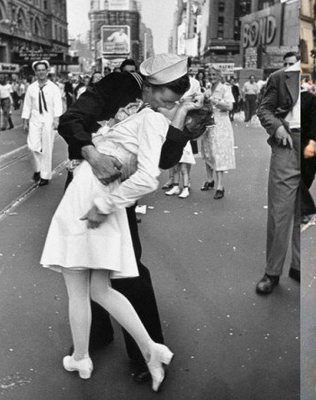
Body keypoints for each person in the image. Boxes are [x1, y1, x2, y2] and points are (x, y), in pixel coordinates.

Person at [40, 55, 196, 391]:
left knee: (126, 269)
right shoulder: (117, 84)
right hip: (89, 180)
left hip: (118, 192)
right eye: (165, 98)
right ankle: (96, 337)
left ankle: (144, 351)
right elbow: (71, 120)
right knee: (86, 268)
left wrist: (181, 124)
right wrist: (93, 155)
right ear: (149, 83)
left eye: (174, 101)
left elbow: (162, 161)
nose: (165, 104)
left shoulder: (163, 109)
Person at [255, 52, 301, 294]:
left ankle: (298, 265)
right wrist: (277, 128)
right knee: (280, 211)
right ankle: (272, 272)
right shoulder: (282, 77)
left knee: (305, 209)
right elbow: (264, 110)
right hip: (288, 143)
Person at [163, 63, 203, 199]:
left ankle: (186, 182)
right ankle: (174, 182)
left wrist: (190, 101)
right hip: (172, 118)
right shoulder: (170, 82)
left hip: (187, 122)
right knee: (171, 151)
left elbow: (199, 100)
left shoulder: (195, 83)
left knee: (185, 156)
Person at [197, 66, 236, 200]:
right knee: (208, 152)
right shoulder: (207, 89)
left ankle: (220, 186)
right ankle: (210, 180)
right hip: (208, 125)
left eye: (214, 75)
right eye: (210, 74)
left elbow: (230, 106)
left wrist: (214, 101)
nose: (212, 77)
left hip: (221, 126)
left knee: (219, 154)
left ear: (219, 75)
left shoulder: (225, 89)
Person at [22, 60, 63, 186]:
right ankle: (37, 169)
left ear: (47, 71)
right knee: (32, 146)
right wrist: (25, 121)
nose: (41, 72)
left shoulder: (54, 88)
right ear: (35, 72)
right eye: (38, 70)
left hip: (48, 119)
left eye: (43, 70)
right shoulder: (31, 88)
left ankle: (45, 175)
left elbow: (58, 104)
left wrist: (56, 119)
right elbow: (27, 105)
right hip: (35, 119)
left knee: (47, 147)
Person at [301, 83, 316, 224]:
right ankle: (305, 209)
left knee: (309, 172)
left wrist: (311, 143)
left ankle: (298, 201)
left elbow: (313, 122)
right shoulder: (283, 96)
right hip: (287, 140)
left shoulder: (309, 98)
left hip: (305, 140)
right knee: (294, 176)